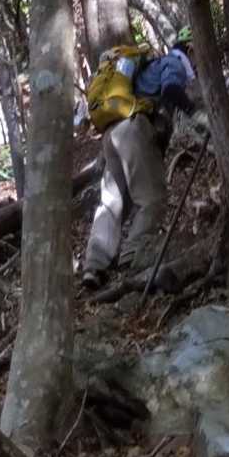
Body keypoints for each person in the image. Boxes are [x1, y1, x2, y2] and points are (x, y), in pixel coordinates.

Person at [82, 32, 198, 283]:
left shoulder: (145, 69)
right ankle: (133, 254)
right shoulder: (174, 62)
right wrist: (196, 113)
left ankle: (94, 264)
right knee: (152, 198)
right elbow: (171, 90)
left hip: (110, 134)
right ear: (189, 50)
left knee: (111, 203)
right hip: (134, 128)